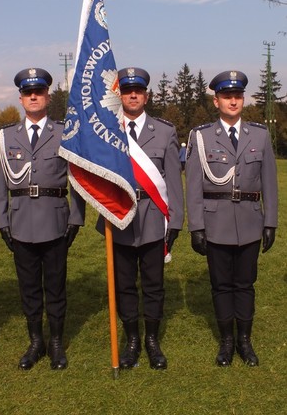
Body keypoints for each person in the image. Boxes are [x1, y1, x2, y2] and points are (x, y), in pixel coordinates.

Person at [0, 68, 85, 370]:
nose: (34, 96)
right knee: (29, 287)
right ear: (21, 99)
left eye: (39, 91)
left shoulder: (64, 133)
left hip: (56, 222)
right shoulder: (6, 137)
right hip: (20, 223)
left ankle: (56, 343)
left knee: (56, 286)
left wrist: (76, 218)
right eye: (28, 93)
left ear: (47, 96)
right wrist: (2, 223)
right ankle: (36, 342)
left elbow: (78, 180)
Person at [186, 70, 278, 367]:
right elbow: (194, 187)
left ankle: (245, 342)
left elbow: (270, 183)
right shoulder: (200, 137)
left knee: (246, 284)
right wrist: (196, 226)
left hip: (250, 222)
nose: (233, 101)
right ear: (217, 101)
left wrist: (271, 222)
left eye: (238, 96)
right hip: (216, 224)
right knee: (221, 285)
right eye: (227, 97)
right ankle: (226, 342)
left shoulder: (260, 135)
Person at [97, 67, 184, 370]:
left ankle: (152, 340)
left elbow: (173, 181)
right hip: (119, 217)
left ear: (146, 95)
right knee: (124, 285)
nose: (133, 95)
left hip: (152, 218)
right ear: (119, 95)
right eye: (127, 90)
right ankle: (132, 339)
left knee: (154, 283)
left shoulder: (165, 131)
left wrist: (175, 222)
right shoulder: (106, 129)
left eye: (138, 90)